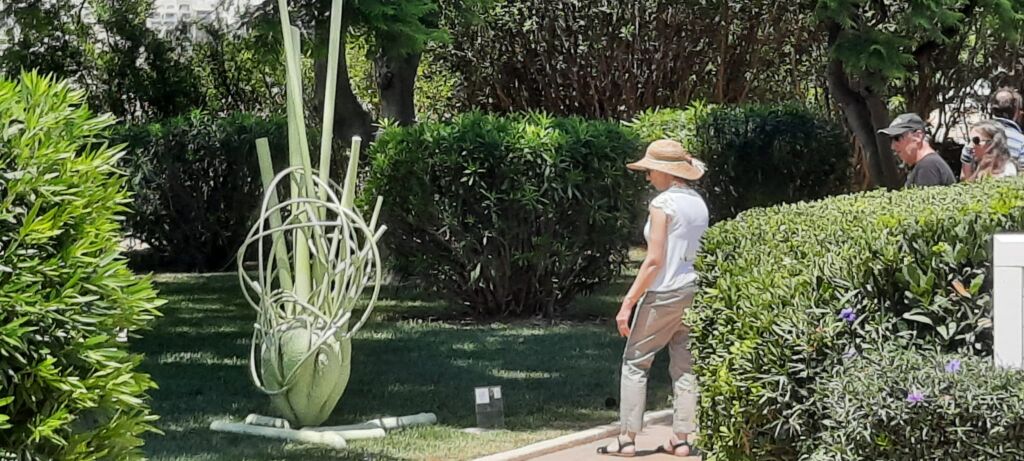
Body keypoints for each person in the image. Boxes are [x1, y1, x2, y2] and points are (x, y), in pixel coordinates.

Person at [597, 139, 708, 458]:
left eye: (650, 171)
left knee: (635, 361)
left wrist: (628, 302)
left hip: (663, 293)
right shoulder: (698, 202)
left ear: (665, 172)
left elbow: (654, 260)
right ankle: (682, 439)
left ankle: (627, 439)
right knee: (685, 366)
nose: (648, 178)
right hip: (693, 290)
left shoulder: (663, 204)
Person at [878, 113, 956, 187]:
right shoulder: (925, 165)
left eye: (897, 138)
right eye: (891, 140)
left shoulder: (928, 167)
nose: (892, 147)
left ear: (918, 136)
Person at [961, 87, 1024, 179]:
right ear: (1017, 112)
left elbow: (964, 177)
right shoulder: (1021, 142)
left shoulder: (977, 135)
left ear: (993, 109)